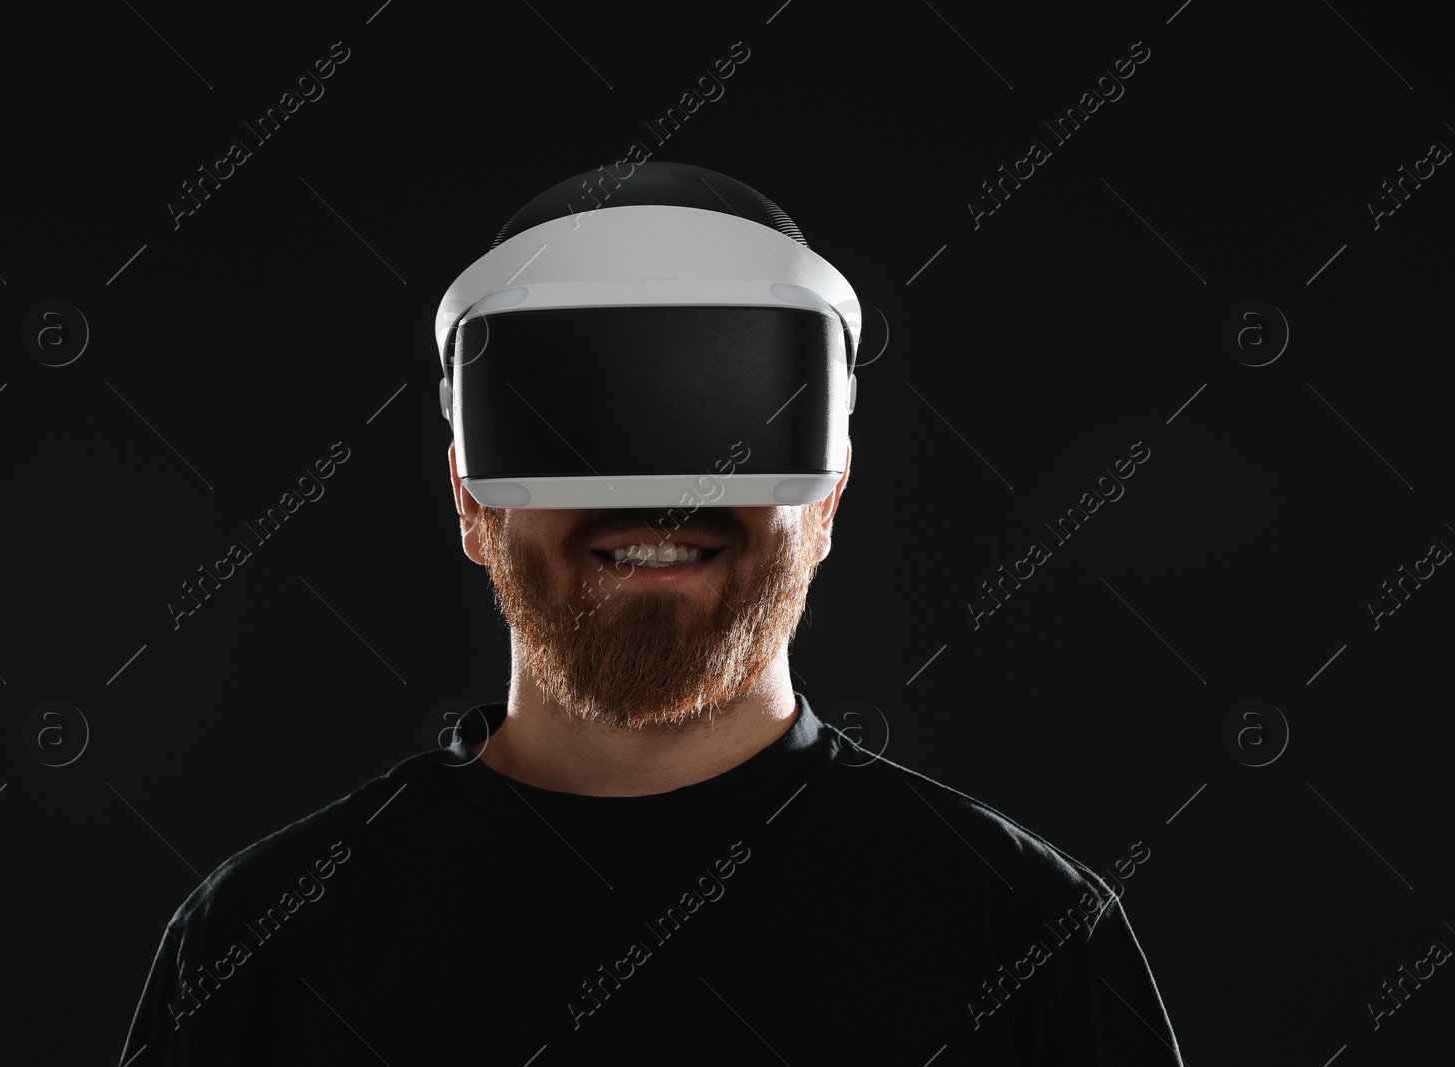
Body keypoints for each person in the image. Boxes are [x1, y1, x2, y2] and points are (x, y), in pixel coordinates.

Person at [120, 163, 1185, 1065]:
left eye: (723, 409)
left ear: (828, 497)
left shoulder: (1033, 939)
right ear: (468, 499)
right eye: (570, 417)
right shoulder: (261, 945)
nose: (660, 497)